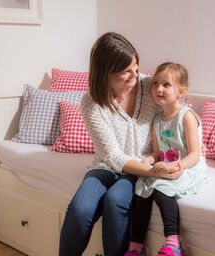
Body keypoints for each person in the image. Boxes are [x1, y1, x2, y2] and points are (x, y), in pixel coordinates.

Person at [59, 32, 183, 256]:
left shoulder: (150, 86)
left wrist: (191, 142)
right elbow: (113, 157)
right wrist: (159, 172)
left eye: (135, 66)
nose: (135, 74)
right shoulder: (91, 102)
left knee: (116, 201)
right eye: (126, 71)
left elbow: (177, 110)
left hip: (140, 166)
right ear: (106, 73)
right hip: (107, 165)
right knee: (80, 209)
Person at [124, 62, 209, 256]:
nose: (158, 89)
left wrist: (178, 165)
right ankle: (135, 247)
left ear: (181, 91)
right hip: (166, 166)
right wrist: (149, 160)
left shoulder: (186, 116)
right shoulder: (157, 119)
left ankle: (173, 243)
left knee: (162, 191)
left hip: (188, 165)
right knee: (142, 191)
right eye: (155, 83)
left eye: (166, 85)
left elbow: (195, 154)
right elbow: (157, 151)